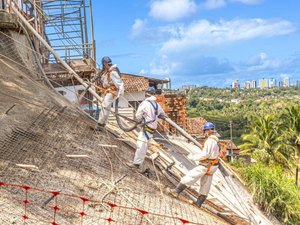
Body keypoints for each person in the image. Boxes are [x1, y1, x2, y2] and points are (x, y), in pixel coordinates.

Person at [169, 122, 220, 207]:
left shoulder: (210, 141)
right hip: (213, 165)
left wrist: (193, 157)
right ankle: (199, 203)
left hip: (206, 164)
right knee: (206, 183)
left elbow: (205, 154)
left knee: (191, 176)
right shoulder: (215, 141)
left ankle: (176, 191)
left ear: (207, 131)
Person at [126, 87, 166, 169]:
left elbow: (138, 115)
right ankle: (138, 161)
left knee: (141, 146)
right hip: (151, 130)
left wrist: (140, 120)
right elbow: (162, 114)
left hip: (146, 128)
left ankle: (136, 164)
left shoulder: (145, 103)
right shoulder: (157, 105)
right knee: (142, 145)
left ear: (146, 94)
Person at [94, 56, 124, 130]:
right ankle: (102, 124)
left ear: (105, 64)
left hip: (112, 91)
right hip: (109, 91)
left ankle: (100, 124)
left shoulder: (113, 72)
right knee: (106, 107)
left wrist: (120, 93)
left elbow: (120, 83)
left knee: (105, 106)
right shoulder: (108, 72)